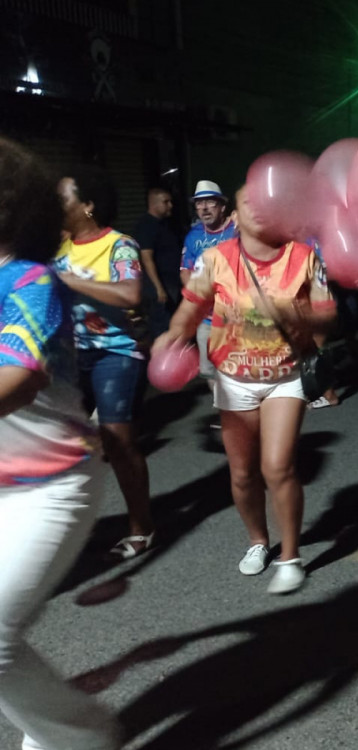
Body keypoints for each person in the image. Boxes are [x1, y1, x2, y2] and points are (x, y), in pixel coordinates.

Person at [0, 137, 121, 750]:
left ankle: (83, 734)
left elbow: (16, 381)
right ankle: (54, 733)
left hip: (49, 486)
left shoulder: (30, 280)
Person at [155, 186, 336, 595]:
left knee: (277, 467)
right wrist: (173, 336)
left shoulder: (303, 257)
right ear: (235, 215)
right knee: (241, 473)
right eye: (248, 204)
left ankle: (290, 556)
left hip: (285, 375)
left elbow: (328, 314)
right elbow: (190, 308)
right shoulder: (215, 259)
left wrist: (293, 313)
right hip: (234, 377)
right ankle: (258, 541)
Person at [54, 166, 154, 560]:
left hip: (115, 352)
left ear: (88, 206)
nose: (55, 205)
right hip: (66, 358)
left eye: (63, 198)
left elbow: (130, 293)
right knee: (57, 442)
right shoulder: (57, 246)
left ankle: (141, 526)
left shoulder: (120, 245)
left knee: (118, 441)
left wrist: (69, 281)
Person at [180, 180, 238, 389]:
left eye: (210, 202)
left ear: (222, 206)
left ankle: (239, 412)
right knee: (207, 369)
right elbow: (185, 270)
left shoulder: (238, 230)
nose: (204, 208)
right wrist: (198, 295)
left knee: (236, 367)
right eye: (199, 203)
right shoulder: (193, 236)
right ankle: (223, 409)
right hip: (206, 317)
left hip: (236, 317)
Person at [131, 187, 179, 333]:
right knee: (162, 328)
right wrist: (158, 288)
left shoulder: (164, 224)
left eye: (171, 201)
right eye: (166, 202)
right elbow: (146, 258)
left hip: (170, 284)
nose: (170, 205)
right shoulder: (146, 226)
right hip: (158, 288)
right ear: (154, 204)